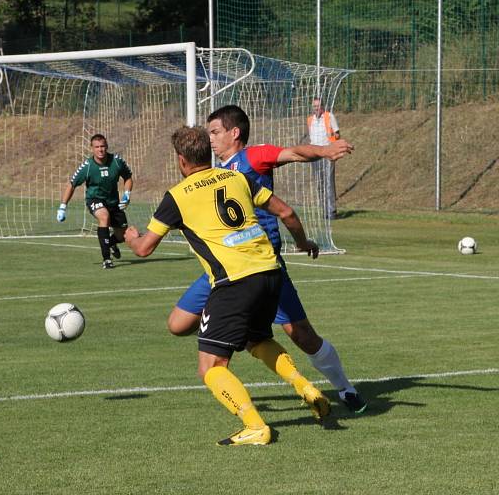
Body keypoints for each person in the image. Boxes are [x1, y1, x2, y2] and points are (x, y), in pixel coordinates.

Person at [125, 125, 328, 446]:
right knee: (256, 339)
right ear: (207, 152)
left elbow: (144, 249)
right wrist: (303, 243)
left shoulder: (177, 196)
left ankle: (255, 426)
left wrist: (131, 237)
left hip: (234, 282)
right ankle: (305, 386)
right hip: (270, 271)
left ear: (181, 160)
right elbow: (286, 212)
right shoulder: (237, 178)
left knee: (210, 367)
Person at [169, 104, 366, 413]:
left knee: (300, 334)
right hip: (225, 271)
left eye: (215, 132)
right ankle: (234, 325)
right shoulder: (211, 175)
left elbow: (294, 153)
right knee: (179, 324)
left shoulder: (252, 158)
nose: (210, 139)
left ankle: (345, 389)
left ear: (234, 133)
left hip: (262, 264)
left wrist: (325, 150)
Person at [56, 134, 133, 269]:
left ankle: (110, 242)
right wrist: (63, 207)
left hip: (113, 202)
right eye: (97, 147)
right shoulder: (87, 166)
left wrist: (127, 194)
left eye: (102, 146)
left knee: (122, 235)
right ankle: (107, 259)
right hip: (95, 199)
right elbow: (72, 184)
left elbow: (128, 177)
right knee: (104, 216)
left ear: (107, 146)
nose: (100, 150)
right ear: (92, 148)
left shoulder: (116, 161)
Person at [307, 97, 341, 219]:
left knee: (328, 183)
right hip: (315, 155)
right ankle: (324, 210)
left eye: (318, 106)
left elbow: (337, 134)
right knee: (320, 184)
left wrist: (332, 137)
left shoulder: (329, 116)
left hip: (327, 153)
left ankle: (332, 211)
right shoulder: (310, 120)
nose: (316, 108)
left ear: (322, 107)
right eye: (314, 106)